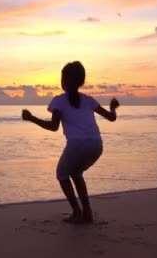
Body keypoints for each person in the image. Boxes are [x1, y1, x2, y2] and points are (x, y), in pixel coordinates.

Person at [21, 61, 119, 224]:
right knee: (76, 173)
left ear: (64, 80)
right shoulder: (88, 99)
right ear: (81, 81)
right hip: (96, 144)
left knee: (62, 174)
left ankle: (77, 212)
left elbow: (53, 127)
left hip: (77, 145)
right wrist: (113, 108)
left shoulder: (59, 100)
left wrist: (31, 118)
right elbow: (111, 118)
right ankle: (87, 213)